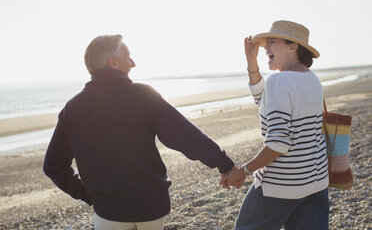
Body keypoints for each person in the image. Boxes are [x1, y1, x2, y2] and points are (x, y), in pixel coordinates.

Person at [43, 34, 236, 230]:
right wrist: (225, 165)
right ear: (114, 63)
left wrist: (87, 194)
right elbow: (187, 137)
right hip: (151, 208)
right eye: (129, 57)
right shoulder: (144, 95)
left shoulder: (72, 108)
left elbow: (53, 165)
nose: (133, 63)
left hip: (108, 211)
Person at [220, 20, 329, 230]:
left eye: (272, 42)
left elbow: (278, 144)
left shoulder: (278, 82)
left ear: (293, 46)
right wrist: (252, 63)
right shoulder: (312, 79)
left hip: (281, 186)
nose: (266, 47)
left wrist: (242, 171)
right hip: (316, 181)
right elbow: (264, 100)